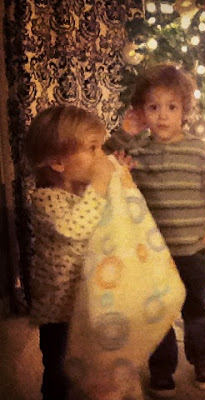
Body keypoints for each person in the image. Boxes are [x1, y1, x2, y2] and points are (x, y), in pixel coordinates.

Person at [104, 63, 205, 397]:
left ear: (184, 110)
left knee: (198, 309)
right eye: (153, 107)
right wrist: (125, 133)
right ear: (141, 111)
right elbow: (102, 161)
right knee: (157, 314)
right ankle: (161, 368)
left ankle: (204, 360)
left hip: (192, 250)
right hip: (152, 254)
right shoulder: (136, 149)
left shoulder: (198, 150)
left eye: (172, 107)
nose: (162, 115)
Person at [24, 105, 116, 400]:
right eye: (92, 148)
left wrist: (117, 185)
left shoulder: (86, 192)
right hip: (59, 308)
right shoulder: (46, 199)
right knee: (59, 367)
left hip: (88, 300)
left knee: (88, 366)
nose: (101, 157)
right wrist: (100, 185)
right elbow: (75, 227)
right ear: (58, 163)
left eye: (101, 147)